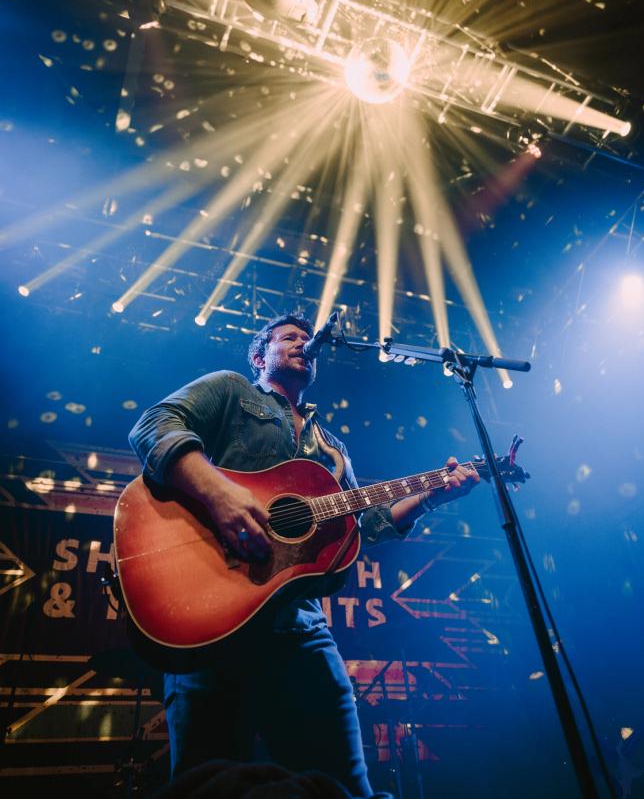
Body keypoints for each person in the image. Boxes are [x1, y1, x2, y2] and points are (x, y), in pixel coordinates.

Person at [128, 313, 479, 798]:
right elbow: (154, 425)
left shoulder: (332, 450)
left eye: (305, 338)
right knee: (203, 786)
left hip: (299, 628)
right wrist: (220, 495)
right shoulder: (232, 391)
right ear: (259, 357)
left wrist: (432, 496)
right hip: (211, 621)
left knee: (342, 786)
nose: (303, 342)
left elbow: (363, 527)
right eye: (289, 337)